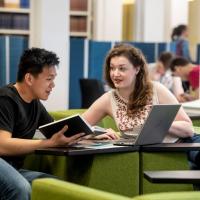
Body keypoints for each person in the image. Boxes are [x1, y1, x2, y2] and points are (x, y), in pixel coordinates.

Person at [82, 43, 200, 175]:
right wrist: (96, 134)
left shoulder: (156, 89)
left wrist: (159, 124)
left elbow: (188, 129)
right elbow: (77, 127)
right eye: (112, 68)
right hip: (158, 154)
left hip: (185, 144)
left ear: (137, 69)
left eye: (122, 69)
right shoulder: (108, 99)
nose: (115, 74)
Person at [0, 47, 85, 200]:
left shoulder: (34, 104)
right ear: (29, 79)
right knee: (20, 187)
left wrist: (95, 135)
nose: (53, 85)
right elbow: (2, 144)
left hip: (13, 168)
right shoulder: (5, 100)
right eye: (48, 79)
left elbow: (58, 131)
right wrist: (47, 143)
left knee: (56, 186)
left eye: (54, 79)